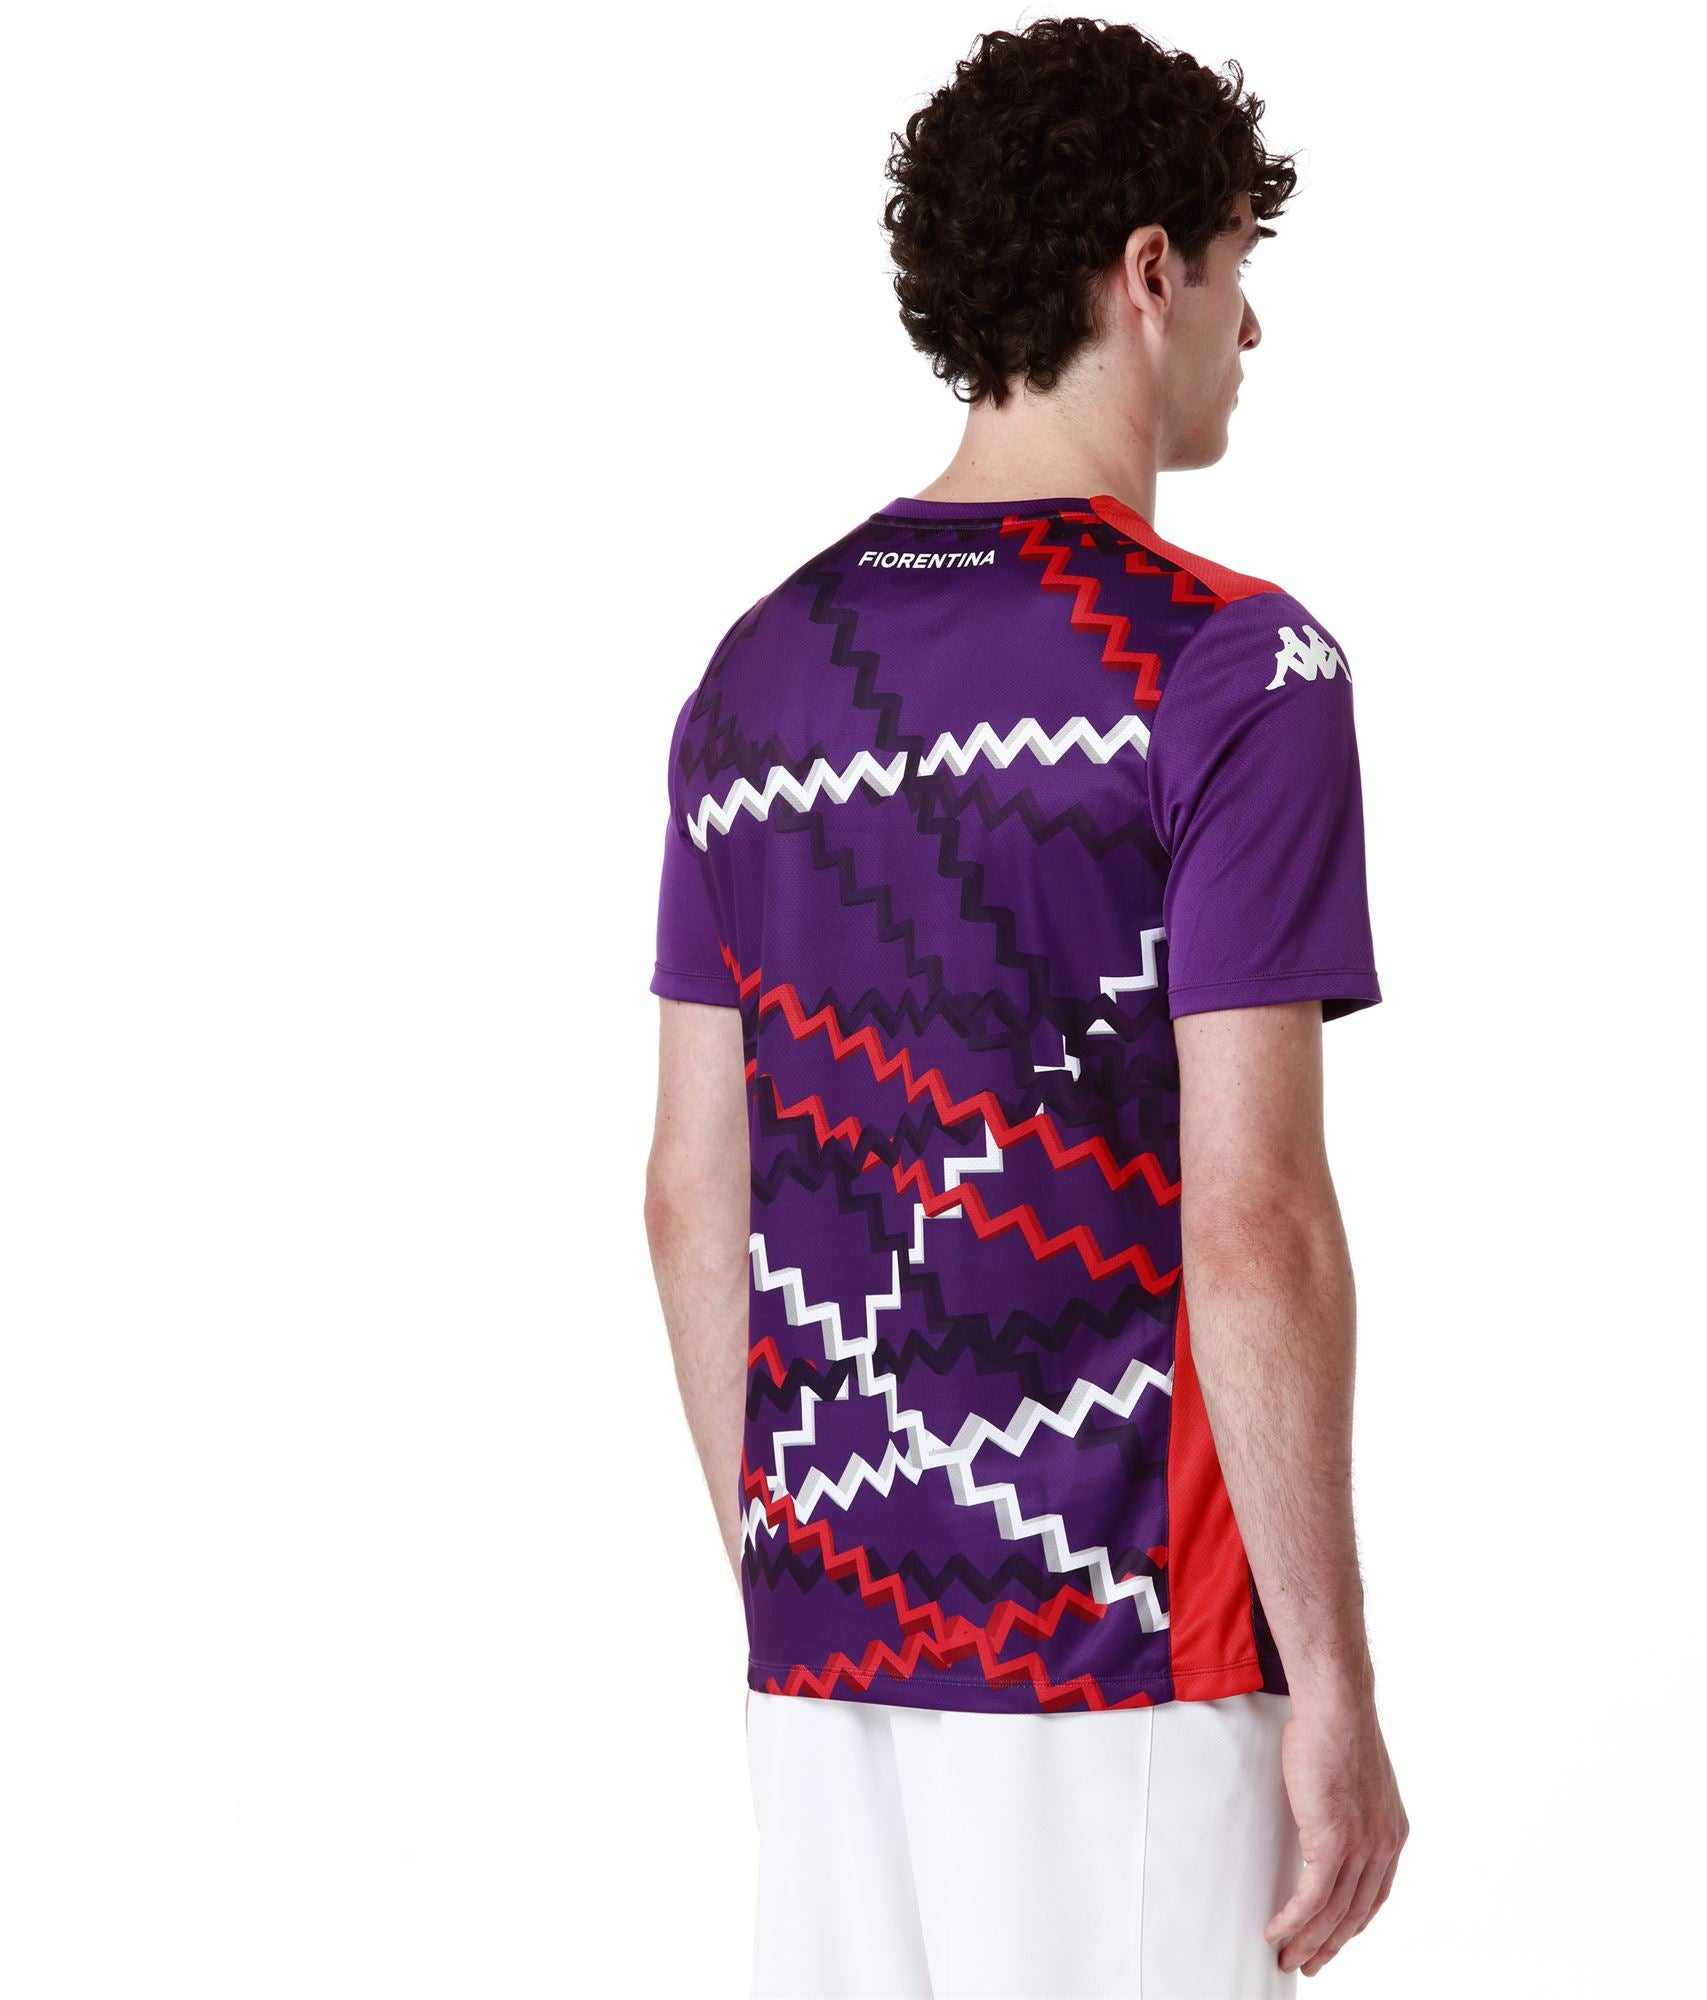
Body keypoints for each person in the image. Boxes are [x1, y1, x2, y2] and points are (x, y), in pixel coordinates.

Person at [643, 18, 1408, 1995]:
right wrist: (1332, 1680)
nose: (1252, 329)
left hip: (831, 1641)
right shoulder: (1231, 671)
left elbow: (688, 1191)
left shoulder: (755, 675)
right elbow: (1257, 1219)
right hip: (1129, 1638)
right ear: (1148, 272)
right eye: (1236, 270)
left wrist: (807, 1583)